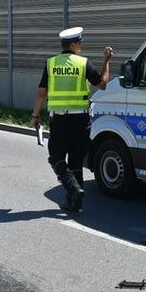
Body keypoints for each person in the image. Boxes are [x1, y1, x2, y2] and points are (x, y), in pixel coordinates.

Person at [32, 26, 113, 212]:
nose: (81, 46)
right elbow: (102, 84)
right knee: (76, 162)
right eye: (80, 43)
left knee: (55, 158)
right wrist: (106, 61)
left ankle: (74, 190)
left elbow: (41, 93)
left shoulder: (51, 63)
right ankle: (74, 201)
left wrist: (35, 115)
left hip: (60, 121)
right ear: (74, 44)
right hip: (82, 121)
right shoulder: (84, 63)